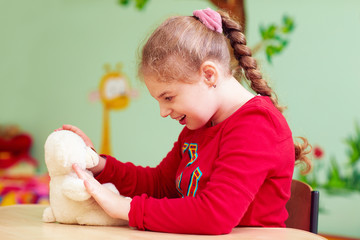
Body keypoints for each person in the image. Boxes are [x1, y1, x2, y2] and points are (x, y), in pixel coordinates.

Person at [59, 8, 312, 235]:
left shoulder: (257, 124)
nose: (163, 111)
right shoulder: (200, 125)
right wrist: (99, 165)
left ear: (209, 75)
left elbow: (215, 215)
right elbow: (161, 184)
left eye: (168, 97)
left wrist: (126, 207)